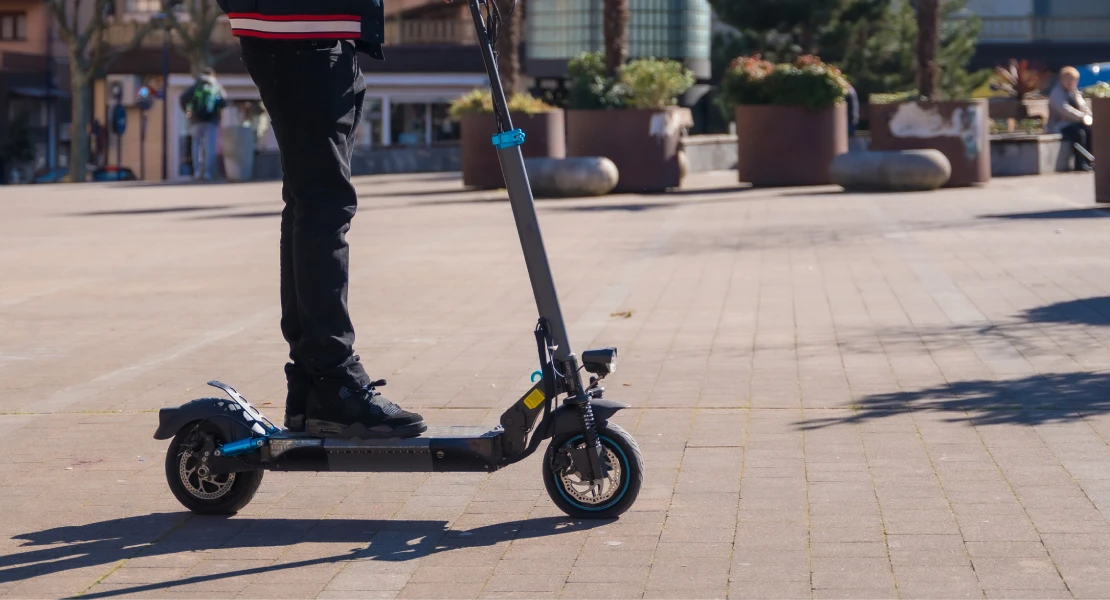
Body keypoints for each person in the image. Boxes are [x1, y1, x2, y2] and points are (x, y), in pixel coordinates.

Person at [215, 0, 427, 438]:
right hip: (300, 31)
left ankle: (313, 385)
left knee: (309, 201)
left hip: (306, 32)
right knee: (323, 203)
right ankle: (333, 381)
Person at [179, 69, 227, 181]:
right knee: (209, 147)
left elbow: (182, 98)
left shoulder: (196, 85)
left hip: (196, 121)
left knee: (196, 146)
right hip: (211, 121)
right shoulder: (216, 86)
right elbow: (224, 102)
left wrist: (187, 111)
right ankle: (207, 173)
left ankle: (197, 171)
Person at [1047, 66, 1094, 172]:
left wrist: (1088, 115)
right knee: (1078, 134)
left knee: (1090, 130)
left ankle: (1090, 161)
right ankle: (1080, 163)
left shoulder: (1074, 92)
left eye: (1074, 80)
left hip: (1075, 122)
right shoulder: (1056, 93)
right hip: (1060, 125)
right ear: (1062, 79)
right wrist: (1082, 117)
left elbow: (1083, 106)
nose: (1072, 83)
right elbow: (1064, 109)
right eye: (1069, 80)